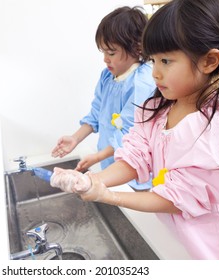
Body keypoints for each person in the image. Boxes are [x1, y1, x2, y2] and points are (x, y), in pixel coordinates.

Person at [50, 0, 219, 260]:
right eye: (153, 60)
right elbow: (135, 157)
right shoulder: (157, 109)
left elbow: (175, 198)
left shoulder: (214, 129)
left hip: (212, 249)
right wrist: (92, 180)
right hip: (176, 238)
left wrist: (108, 195)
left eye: (166, 61)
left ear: (209, 61)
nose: (155, 73)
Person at [51, 6, 155, 190]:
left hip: (135, 175)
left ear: (137, 47)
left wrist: (99, 157)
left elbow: (130, 133)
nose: (105, 59)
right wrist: (75, 138)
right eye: (103, 52)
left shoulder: (142, 82)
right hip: (110, 166)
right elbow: (97, 112)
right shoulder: (107, 77)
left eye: (111, 53)